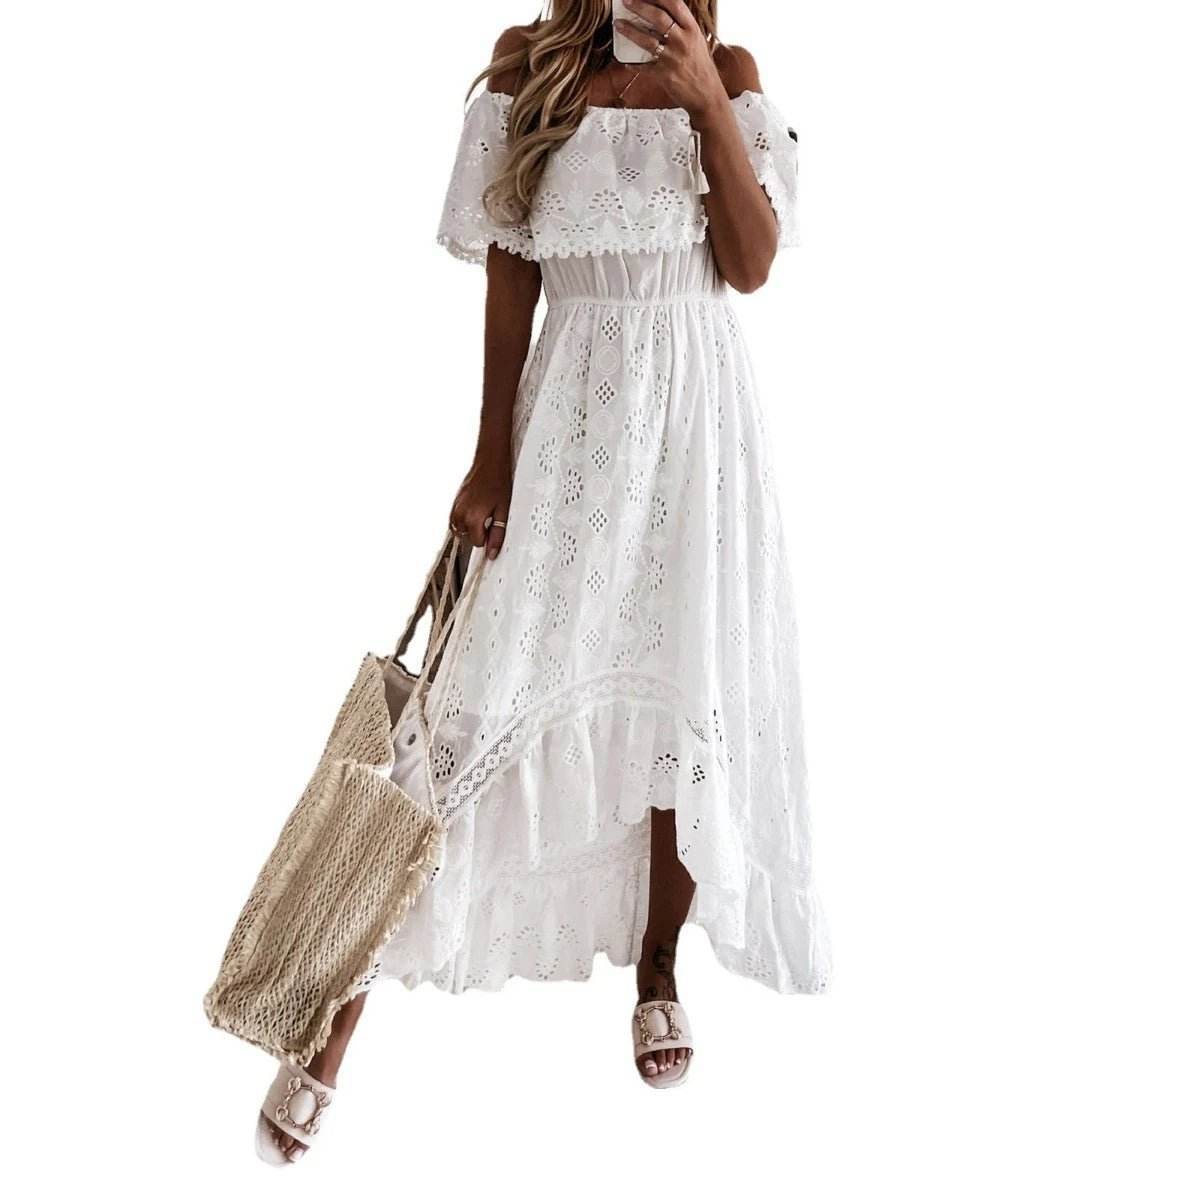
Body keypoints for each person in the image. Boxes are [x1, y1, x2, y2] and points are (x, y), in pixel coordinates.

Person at [256, 0, 830, 1164]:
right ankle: (331, 1015)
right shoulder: (530, 69)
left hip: (697, 432)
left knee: (682, 696)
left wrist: (705, 98)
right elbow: (511, 279)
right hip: (567, 426)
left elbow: (752, 265)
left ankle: (659, 966)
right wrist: (489, 457)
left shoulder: (727, 70)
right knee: (461, 720)